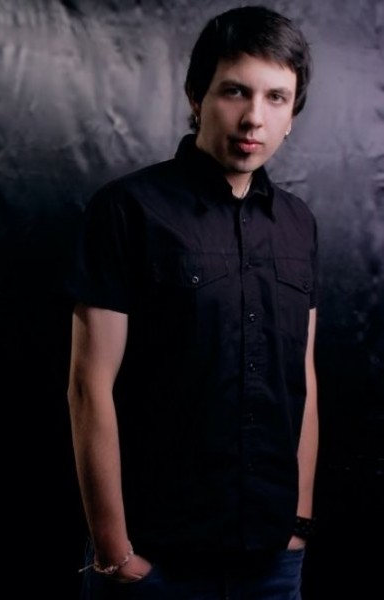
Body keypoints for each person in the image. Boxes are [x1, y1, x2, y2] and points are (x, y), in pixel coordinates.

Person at [67, 5, 319, 599]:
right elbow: (88, 387)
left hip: (272, 561)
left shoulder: (299, 224)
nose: (254, 117)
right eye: (235, 91)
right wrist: (114, 549)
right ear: (196, 96)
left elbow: (303, 377)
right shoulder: (127, 210)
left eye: (276, 98)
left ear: (292, 114)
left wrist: (299, 524)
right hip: (155, 560)